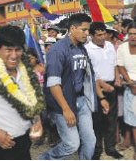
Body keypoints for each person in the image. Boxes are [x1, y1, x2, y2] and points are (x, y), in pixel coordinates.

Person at [0, 25, 45, 160]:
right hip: (0, 143)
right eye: (8, 50)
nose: (14, 55)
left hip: (24, 141)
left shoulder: (27, 71)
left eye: (18, 50)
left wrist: (37, 120)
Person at [40, 13, 97, 160]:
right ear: (72, 28)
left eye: (88, 30)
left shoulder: (81, 48)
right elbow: (53, 83)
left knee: (90, 141)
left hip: (81, 101)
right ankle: (45, 159)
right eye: (83, 30)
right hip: (63, 104)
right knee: (72, 144)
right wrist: (66, 109)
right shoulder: (57, 50)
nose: (87, 34)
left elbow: (86, 76)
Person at [85, 22, 123, 159]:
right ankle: (97, 149)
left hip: (111, 85)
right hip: (96, 87)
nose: (102, 37)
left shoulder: (110, 46)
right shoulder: (87, 50)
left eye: (104, 34)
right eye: (99, 35)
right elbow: (90, 74)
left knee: (111, 119)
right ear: (91, 36)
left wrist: (117, 78)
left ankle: (110, 148)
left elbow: (114, 64)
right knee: (97, 120)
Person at [117, 21, 136, 159]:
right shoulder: (122, 48)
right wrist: (129, 82)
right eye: (130, 34)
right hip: (129, 85)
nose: (133, 36)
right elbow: (121, 66)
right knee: (131, 118)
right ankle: (130, 143)